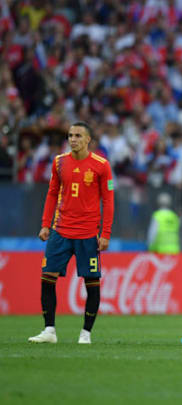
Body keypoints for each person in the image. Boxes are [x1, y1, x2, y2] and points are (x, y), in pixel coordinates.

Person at [29, 122, 114, 344]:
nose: (73, 139)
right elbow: (51, 194)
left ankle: (86, 333)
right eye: (70, 135)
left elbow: (109, 200)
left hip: (88, 234)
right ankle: (49, 331)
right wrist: (46, 224)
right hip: (61, 231)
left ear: (88, 140)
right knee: (47, 278)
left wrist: (105, 233)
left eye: (78, 135)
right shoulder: (59, 162)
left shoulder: (101, 165)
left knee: (91, 283)